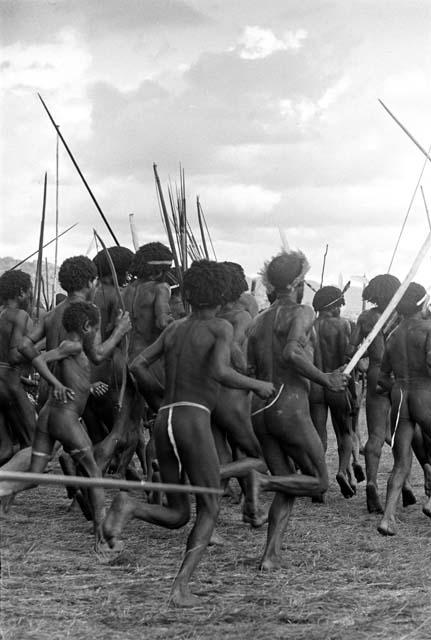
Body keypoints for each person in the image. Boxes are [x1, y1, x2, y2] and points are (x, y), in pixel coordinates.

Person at [103, 259, 274, 607]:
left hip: (165, 419)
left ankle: (130, 506)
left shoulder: (175, 328)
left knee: (179, 514)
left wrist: (159, 398)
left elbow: (137, 364)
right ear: (223, 295)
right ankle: (180, 588)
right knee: (210, 506)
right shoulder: (220, 328)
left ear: (191, 294)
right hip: (193, 420)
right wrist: (258, 384)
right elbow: (220, 371)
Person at [247, 250, 348, 571]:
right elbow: (291, 352)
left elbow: (250, 366)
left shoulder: (259, 319)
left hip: (259, 407)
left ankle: (271, 555)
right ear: (297, 283)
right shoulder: (302, 311)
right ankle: (259, 483)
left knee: (288, 481)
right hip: (287, 405)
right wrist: (326, 378)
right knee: (318, 482)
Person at [2, 301, 131, 551]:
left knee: (35, 475)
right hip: (64, 418)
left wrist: (73, 385)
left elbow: (47, 362)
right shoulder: (72, 345)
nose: (96, 334)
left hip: (49, 416)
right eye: (96, 329)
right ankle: (102, 540)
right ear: (86, 327)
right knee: (94, 474)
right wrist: (57, 385)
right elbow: (40, 360)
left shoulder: (70, 346)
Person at [348, 274, 416, 513]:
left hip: (377, 372)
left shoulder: (366, 317)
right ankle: (404, 482)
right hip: (399, 376)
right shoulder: (402, 316)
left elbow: (352, 347)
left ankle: (372, 485)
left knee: (376, 435)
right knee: (402, 432)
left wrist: (362, 364)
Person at [213, 261, 267, 526]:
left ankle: (249, 508)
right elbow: (234, 347)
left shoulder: (213, 313)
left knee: (226, 452)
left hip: (210, 392)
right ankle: (251, 504)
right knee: (257, 455)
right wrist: (248, 372)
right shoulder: (241, 315)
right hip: (232, 392)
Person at [377, 283, 431, 535]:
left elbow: (381, 377)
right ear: (422, 304)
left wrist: (397, 386)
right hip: (423, 394)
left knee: (400, 462)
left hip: (400, 396)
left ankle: (387, 517)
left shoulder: (393, 334)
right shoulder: (428, 329)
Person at [310, 285, 364, 497]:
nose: (342, 308)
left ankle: (317, 479)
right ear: (333, 306)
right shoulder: (343, 325)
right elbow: (347, 358)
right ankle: (342, 470)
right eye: (340, 304)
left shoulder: (309, 326)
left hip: (316, 384)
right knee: (345, 432)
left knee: (318, 434)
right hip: (337, 383)